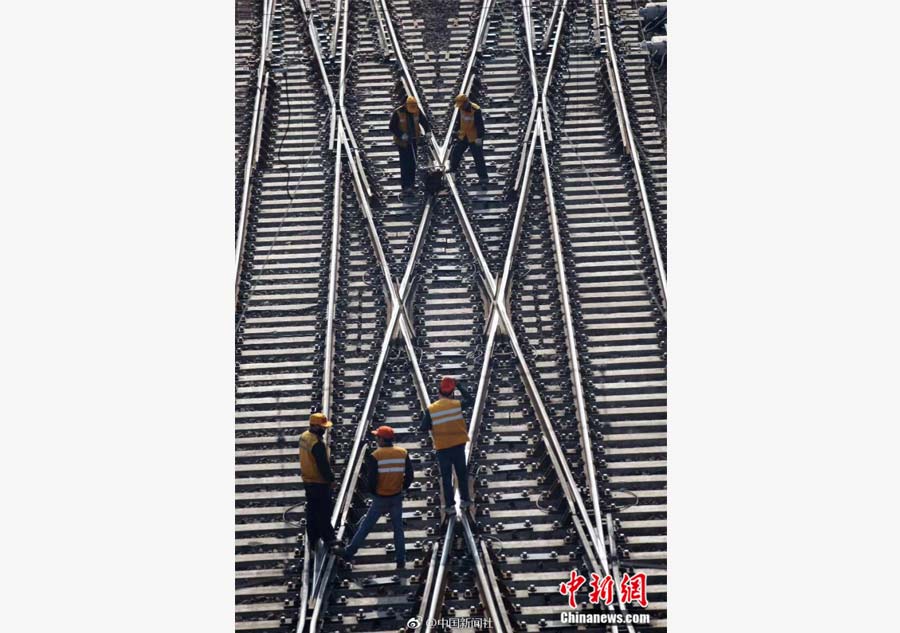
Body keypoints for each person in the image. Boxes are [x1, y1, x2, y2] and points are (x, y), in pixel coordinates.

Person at [339, 426, 414, 569]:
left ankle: (349, 553)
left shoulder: (376, 456)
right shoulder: (402, 453)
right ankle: (400, 560)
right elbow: (410, 476)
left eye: (377, 437)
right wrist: (401, 488)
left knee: (366, 526)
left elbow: (372, 480)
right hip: (396, 497)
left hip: (381, 498)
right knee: (398, 529)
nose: (376, 439)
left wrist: (374, 493)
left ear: (381, 439)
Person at [421, 376, 473, 513]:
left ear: (439, 392)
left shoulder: (431, 409)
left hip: (442, 448)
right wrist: (460, 386)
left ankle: (449, 505)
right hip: (458, 446)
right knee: (461, 474)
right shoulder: (456, 405)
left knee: (446, 476)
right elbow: (470, 400)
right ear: (452, 393)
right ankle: (465, 500)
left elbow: (423, 427)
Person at [298, 412, 337, 550]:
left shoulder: (304, 437)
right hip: (319, 482)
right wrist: (331, 480)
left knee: (312, 510)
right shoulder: (317, 443)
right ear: (314, 426)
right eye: (322, 427)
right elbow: (323, 465)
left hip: (307, 480)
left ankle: (313, 537)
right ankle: (329, 538)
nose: (324, 429)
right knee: (324, 511)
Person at [389, 96, 432, 194]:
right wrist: (401, 135)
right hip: (403, 143)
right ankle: (405, 186)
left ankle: (411, 184)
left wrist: (428, 131)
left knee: (412, 163)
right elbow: (392, 127)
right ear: (405, 105)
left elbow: (424, 122)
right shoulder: (398, 112)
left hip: (413, 140)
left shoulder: (416, 110)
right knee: (405, 164)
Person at [448, 94, 488, 188]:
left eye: (461, 105)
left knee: (478, 158)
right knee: (456, 152)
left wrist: (480, 137)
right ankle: (452, 169)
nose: (460, 107)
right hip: (463, 135)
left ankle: (483, 178)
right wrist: (456, 130)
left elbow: (480, 125)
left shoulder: (475, 109)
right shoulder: (460, 108)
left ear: (466, 102)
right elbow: (459, 121)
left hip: (474, 137)